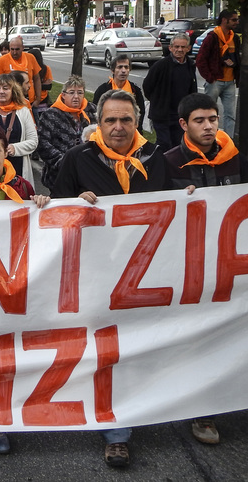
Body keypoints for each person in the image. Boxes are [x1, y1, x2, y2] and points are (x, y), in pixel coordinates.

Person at [50, 89, 166, 468]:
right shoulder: (77, 159)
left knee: (135, 350)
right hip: (95, 274)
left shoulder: (157, 159)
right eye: (110, 120)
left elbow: (180, 212)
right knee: (104, 351)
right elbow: (54, 213)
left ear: (138, 123)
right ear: (97, 124)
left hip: (145, 277)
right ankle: (114, 430)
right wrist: (74, 204)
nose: (118, 127)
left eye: (125, 120)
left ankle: (138, 412)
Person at [165, 93, 248, 444]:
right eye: (199, 120)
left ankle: (242, 395)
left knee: (230, 334)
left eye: (213, 119)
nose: (209, 126)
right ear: (183, 124)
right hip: (190, 268)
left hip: (230, 266)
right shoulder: (167, 163)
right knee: (198, 340)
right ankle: (202, 411)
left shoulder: (236, 159)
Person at [36, 76, 96, 191]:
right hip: (59, 175)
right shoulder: (50, 114)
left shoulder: (92, 111)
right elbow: (43, 144)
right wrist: (65, 163)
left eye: (80, 93)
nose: (76, 96)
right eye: (71, 92)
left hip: (88, 172)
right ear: (63, 95)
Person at [144, 33, 198, 150]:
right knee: (164, 144)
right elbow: (147, 86)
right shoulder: (160, 66)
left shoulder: (190, 65)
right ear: (170, 48)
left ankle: (173, 163)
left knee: (178, 145)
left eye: (183, 47)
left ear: (188, 48)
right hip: (162, 114)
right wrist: (157, 101)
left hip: (180, 114)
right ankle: (159, 161)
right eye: (177, 47)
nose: (180, 50)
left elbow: (192, 89)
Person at [196, 9, 241, 136]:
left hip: (230, 81)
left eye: (237, 19)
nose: (237, 22)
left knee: (230, 115)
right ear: (224, 20)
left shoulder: (235, 38)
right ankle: (210, 138)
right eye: (234, 20)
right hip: (215, 81)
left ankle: (228, 141)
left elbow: (237, 57)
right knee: (209, 113)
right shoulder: (212, 37)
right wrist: (210, 77)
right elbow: (201, 59)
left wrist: (235, 65)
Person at [92, 54, 147, 132]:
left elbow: (140, 113)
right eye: (120, 67)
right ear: (112, 70)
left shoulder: (135, 90)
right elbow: (95, 112)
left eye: (126, 67)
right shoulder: (103, 90)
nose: (123, 70)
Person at [0, 37, 42, 108]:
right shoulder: (2, 61)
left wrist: (38, 99)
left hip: (30, 101)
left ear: (23, 47)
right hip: (10, 102)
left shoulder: (30, 58)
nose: (14, 52)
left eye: (17, 49)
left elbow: (37, 79)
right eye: (12, 49)